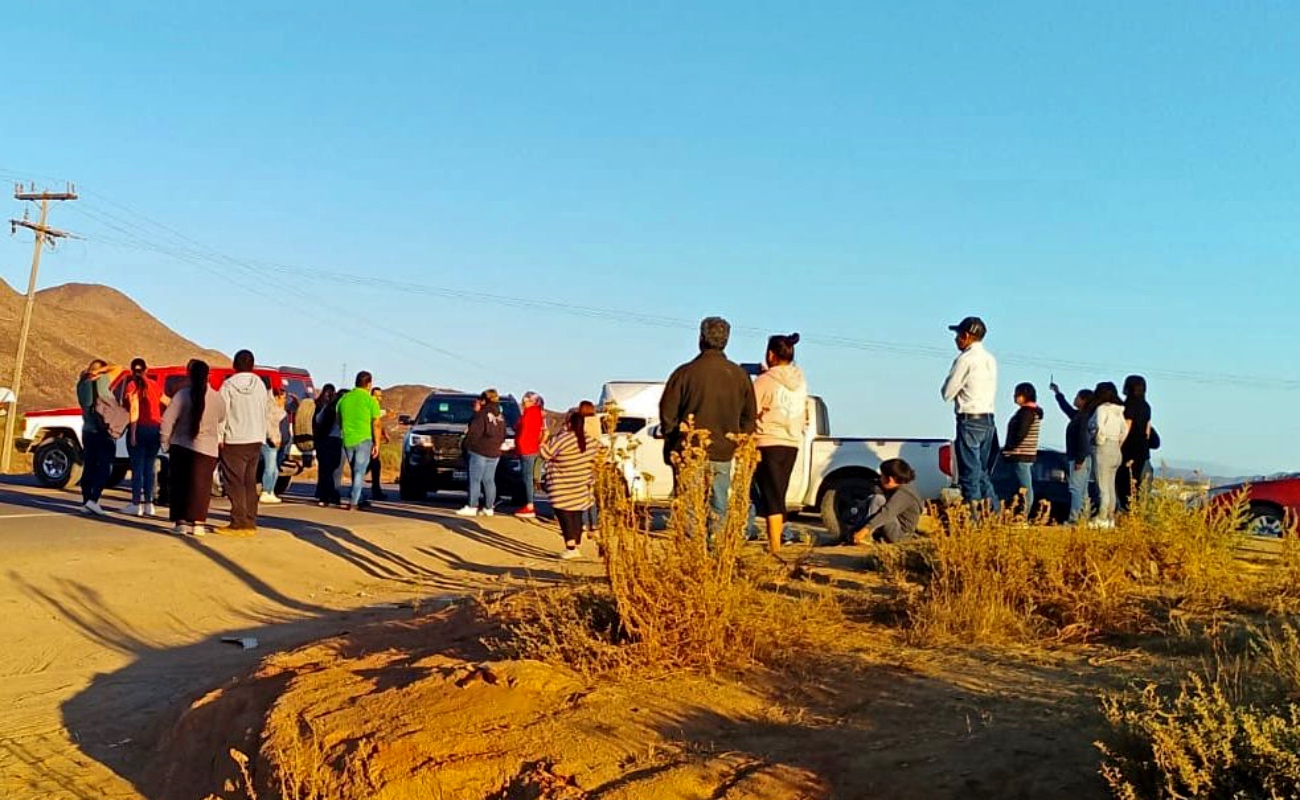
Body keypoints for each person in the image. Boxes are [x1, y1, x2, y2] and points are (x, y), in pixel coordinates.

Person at [659, 316, 758, 532]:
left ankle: (694, 554)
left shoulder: (684, 373)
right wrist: (738, 441)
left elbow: (667, 414)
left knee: (689, 508)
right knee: (719, 506)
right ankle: (715, 552)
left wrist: (674, 441)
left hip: (689, 451)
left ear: (701, 338)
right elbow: (750, 417)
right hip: (724, 452)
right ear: (726, 340)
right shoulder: (739, 376)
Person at [752, 333, 808, 554]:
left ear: (770, 354)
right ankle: (778, 538)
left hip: (768, 440)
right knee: (779, 491)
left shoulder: (765, 381)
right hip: (792, 442)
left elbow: (751, 409)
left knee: (770, 495)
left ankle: (774, 544)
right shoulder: (801, 380)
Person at [160, 360, 227, 536]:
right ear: (207, 376)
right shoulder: (216, 397)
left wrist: (165, 442)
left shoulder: (182, 395)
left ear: (189, 374)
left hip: (181, 446)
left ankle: (180, 522)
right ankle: (198, 523)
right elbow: (221, 417)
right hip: (207, 449)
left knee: (180, 485)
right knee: (201, 487)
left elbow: (167, 420)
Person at [940, 316, 998, 507]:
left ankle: (972, 521)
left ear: (966, 336)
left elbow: (947, 393)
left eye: (958, 335)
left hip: (969, 420)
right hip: (988, 419)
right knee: (982, 472)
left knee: (969, 475)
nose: (956, 339)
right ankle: (993, 514)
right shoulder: (990, 359)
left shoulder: (965, 359)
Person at [540, 405, 603, 559]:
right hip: (581, 483)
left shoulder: (563, 439)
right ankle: (576, 543)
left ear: (568, 424)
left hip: (561, 484)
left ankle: (571, 546)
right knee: (576, 513)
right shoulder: (589, 441)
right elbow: (602, 453)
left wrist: (542, 440)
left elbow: (546, 454)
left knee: (564, 515)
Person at [219, 350, 271, 532]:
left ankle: (238, 521)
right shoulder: (260, 385)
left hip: (234, 439)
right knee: (250, 481)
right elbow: (266, 410)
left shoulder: (227, 386)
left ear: (234, 365)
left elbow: (222, 413)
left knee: (234, 482)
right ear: (253, 365)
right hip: (255, 438)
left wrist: (219, 436)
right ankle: (250, 520)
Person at [75, 359, 124, 516]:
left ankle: (85, 500)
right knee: (105, 467)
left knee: (89, 466)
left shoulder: (81, 385)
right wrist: (101, 372)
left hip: (88, 430)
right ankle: (94, 500)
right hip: (103, 430)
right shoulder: (102, 381)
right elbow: (119, 367)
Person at [121, 358, 166, 517]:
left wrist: (132, 433)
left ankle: (135, 503)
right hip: (155, 428)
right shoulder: (154, 385)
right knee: (149, 467)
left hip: (140, 428)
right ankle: (149, 503)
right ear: (146, 370)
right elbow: (166, 401)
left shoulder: (132, 386)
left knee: (137, 468)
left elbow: (134, 410)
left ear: (132, 371)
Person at [335, 371, 384, 511]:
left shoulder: (344, 399)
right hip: (364, 439)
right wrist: (377, 444)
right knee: (359, 471)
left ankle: (358, 496)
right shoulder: (370, 400)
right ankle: (354, 501)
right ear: (369, 384)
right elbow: (376, 423)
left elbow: (338, 419)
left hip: (348, 439)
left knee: (354, 470)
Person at [1050, 382, 1095, 524]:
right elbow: (1066, 408)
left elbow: (1083, 439)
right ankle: (1084, 517)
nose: (1075, 399)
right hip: (1082, 457)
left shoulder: (1083, 418)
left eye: (1077, 397)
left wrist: (1079, 459)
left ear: (1083, 400)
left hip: (1078, 457)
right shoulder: (1080, 415)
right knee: (1083, 490)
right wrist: (1058, 393)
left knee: (1076, 488)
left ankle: (1075, 519)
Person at [458, 389, 507, 517]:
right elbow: (503, 434)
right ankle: (489, 507)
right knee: (489, 480)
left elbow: (474, 433)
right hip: (495, 452)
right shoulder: (500, 416)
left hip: (479, 450)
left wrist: (466, 446)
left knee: (475, 479)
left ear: (484, 400)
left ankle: (472, 506)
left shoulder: (482, 415)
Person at [850, 459, 923, 544]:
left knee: (878, 500)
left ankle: (867, 536)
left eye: (882, 476)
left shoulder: (904, 493)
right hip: (895, 529)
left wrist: (865, 530)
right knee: (873, 499)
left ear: (890, 479)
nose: (880, 478)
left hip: (901, 536)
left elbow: (887, 512)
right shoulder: (902, 488)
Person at [1088, 382, 1130, 528]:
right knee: (1111, 485)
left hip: (1103, 448)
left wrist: (1099, 440)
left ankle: (1102, 516)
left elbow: (1099, 426)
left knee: (1102, 485)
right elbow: (1125, 430)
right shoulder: (1119, 411)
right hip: (1116, 450)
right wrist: (1118, 442)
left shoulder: (1102, 409)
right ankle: (1110, 518)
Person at [1002, 382, 1043, 517]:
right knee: (1022, 487)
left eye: (1017, 394)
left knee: (1025, 488)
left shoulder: (1026, 412)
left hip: (1020, 455)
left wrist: (1009, 448)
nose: (1014, 397)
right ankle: (1019, 514)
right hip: (1025, 455)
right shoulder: (1032, 412)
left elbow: (1020, 433)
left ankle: (1023, 515)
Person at [1118, 375, 1153, 511]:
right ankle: (1136, 515)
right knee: (1138, 486)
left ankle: (1126, 513)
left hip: (1129, 449)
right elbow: (1147, 430)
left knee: (1124, 485)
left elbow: (1127, 425)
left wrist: (1119, 444)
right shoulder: (1146, 406)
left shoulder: (1129, 405)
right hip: (1143, 449)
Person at [514, 391, 545, 519]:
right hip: (530, 447)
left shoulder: (530, 414)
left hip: (527, 448)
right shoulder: (537, 414)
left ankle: (530, 505)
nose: (523, 404)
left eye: (524, 401)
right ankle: (528, 503)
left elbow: (522, 429)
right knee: (527, 476)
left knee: (527, 477)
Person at [312, 385, 342, 507]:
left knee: (326, 470)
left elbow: (318, 420)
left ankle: (330, 496)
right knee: (331, 470)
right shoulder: (340, 409)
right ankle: (328, 495)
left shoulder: (328, 408)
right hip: (338, 440)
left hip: (327, 440)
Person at [260, 388, 288, 505]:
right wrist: (272, 438)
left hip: (278, 441)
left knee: (275, 470)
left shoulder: (280, 410)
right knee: (270, 468)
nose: (285, 400)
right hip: (269, 441)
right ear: (276, 397)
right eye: (283, 398)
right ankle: (266, 491)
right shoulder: (269, 409)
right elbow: (268, 426)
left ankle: (271, 491)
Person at [580, 400, 602, 533]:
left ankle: (583, 523)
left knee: (581, 493)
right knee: (591, 493)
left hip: (583, 460)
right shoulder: (597, 422)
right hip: (595, 460)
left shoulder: (582, 423)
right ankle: (594, 522)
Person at [367, 386, 390, 502]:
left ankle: (375, 490)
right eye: (376, 396)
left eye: (380, 396)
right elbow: (374, 423)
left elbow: (378, 423)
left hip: (374, 441)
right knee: (371, 466)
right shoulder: (369, 406)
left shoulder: (375, 407)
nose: (379, 398)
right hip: (368, 440)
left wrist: (383, 434)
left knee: (374, 466)